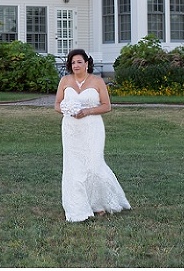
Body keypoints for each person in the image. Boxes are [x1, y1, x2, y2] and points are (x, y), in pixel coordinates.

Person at [54, 48, 131, 222]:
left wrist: (88, 111)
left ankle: (99, 204)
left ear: (87, 63)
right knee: (74, 167)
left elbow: (107, 106)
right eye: (73, 62)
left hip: (92, 128)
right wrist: (68, 109)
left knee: (94, 165)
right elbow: (57, 105)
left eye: (79, 62)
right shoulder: (65, 81)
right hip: (71, 129)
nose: (76, 65)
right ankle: (78, 206)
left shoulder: (97, 81)